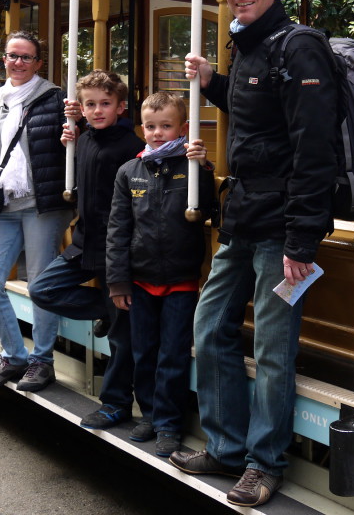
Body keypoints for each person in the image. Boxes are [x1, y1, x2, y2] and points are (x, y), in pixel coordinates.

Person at [171, 0, 337, 507]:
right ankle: (224, 445)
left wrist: (301, 239)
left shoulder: (301, 48)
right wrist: (214, 80)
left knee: (272, 349)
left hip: (280, 230)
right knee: (209, 326)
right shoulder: (250, 48)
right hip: (241, 217)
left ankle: (263, 463)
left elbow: (314, 153)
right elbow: (255, 115)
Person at [28, 70, 145, 428]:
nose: (97, 110)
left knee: (121, 340)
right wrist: (73, 141)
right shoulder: (85, 139)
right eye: (90, 104)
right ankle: (105, 311)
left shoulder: (129, 147)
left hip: (115, 250)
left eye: (105, 104)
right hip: (84, 243)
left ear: (121, 107)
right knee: (42, 289)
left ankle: (115, 404)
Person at [0, 31, 74, 392]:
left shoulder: (56, 99)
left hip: (42, 206)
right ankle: (13, 355)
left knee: (40, 285)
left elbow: (72, 145)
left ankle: (42, 361)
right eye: (13, 56)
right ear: (4, 60)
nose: (19, 63)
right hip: (3, 206)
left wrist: (77, 126)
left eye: (27, 57)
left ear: (39, 63)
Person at [106, 91, 214, 458]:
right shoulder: (129, 171)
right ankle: (149, 414)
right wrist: (118, 281)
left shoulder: (193, 166)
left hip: (181, 282)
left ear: (183, 128)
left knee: (173, 355)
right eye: (150, 126)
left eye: (166, 127)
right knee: (144, 352)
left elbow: (210, 211)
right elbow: (118, 229)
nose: (156, 133)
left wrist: (205, 167)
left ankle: (169, 423)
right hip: (138, 282)